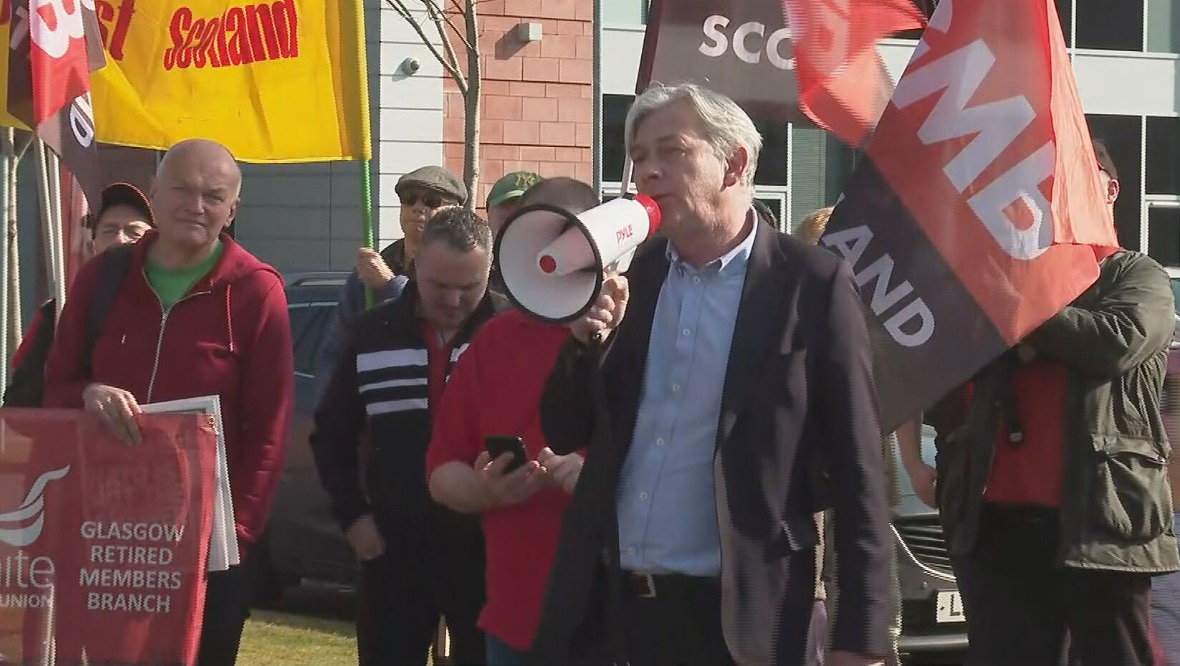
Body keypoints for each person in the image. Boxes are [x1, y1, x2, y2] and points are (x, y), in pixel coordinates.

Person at [532, 82, 893, 666]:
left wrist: (863, 636)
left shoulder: (811, 284)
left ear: (735, 163)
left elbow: (859, 470)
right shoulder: (632, 277)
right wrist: (582, 346)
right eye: (640, 157)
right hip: (614, 615)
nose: (647, 171)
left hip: (743, 622)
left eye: (670, 152)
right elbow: (565, 428)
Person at [42, 138, 294, 665]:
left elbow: (269, 432)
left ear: (233, 209)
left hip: (209, 548)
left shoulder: (256, 291)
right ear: (154, 194)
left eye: (213, 195)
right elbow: (55, 389)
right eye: (180, 189)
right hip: (108, 538)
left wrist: (235, 542)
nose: (195, 205)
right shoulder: (102, 277)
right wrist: (88, 394)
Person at [934, 138, 1177, 665]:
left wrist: (1021, 314)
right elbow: (944, 375)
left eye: (1071, 177)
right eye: (1044, 181)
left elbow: (1116, 341)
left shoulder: (1135, 275)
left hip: (1101, 527)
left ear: (1110, 190)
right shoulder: (1001, 279)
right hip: (997, 527)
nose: (1053, 193)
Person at [310, 207, 505, 666]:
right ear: (415, 266)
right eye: (440, 286)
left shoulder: (511, 333)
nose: (454, 300)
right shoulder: (372, 333)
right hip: (393, 547)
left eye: (469, 287)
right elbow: (332, 435)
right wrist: (353, 517)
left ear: (490, 270)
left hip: (490, 550)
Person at [426, 177, 601, 666]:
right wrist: (487, 492)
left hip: (610, 618)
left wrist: (593, 477)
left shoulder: (633, 333)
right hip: (514, 618)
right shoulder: (496, 340)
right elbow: (442, 472)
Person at [793, 205, 904, 666]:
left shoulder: (876, 323)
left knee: (860, 574)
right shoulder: (792, 314)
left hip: (859, 467)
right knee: (816, 577)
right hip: (808, 473)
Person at [313, 165, 466, 403]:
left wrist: (392, 287)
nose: (418, 207)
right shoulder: (367, 274)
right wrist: (332, 415)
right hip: (374, 415)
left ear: (455, 212)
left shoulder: (463, 274)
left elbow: (440, 328)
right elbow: (336, 353)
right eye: (409, 199)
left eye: (431, 200)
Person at [4, 182, 155, 407]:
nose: (120, 239)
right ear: (92, 244)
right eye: (109, 230)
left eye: (133, 232)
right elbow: (21, 401)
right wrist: (83, 393)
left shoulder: (166, 308)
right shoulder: (56, 313)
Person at [484, 170, 542, 295]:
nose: (513, 228)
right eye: (505, 218)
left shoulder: (570, 280)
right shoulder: (471, 273)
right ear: (489, 217)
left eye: (526, 219)